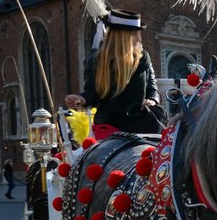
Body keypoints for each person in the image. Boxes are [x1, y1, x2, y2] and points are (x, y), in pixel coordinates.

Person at [64, 9, 162, 139]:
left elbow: (152, 88)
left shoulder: (143, 59)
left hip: (143, 122)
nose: (139, 38)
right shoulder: (97, 60)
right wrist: (81, 99)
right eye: (135, 33)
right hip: (111, 124)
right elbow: (93, 93)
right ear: (123, 36)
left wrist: (153, 100)